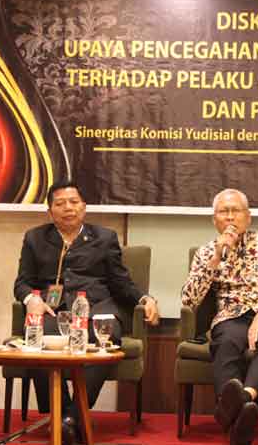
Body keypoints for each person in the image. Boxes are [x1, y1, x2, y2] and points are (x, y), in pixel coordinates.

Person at [14, 179, 160, 445]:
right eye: (60, 204)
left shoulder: (104, 238)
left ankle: (74, 415)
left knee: (104, 337)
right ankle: (62, 413)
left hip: (97, 308)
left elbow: (121, 282)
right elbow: (22, 282)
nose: (68, 208)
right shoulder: (35, 238)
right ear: (50, 211)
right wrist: (30, 299)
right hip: (54, 311)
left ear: (84, 207)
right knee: (35, 339)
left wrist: (145, 298)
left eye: (73, 202)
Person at [181, 188, 258, 445]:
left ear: (248, 217)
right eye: (224, 212)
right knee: (226, 340)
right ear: (214, 220)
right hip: (231, 316)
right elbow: (189, 299)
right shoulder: (206, 252)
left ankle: (239, 402)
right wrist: (215, 259)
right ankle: (243, 413)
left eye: (236, 211)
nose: (230, 217)